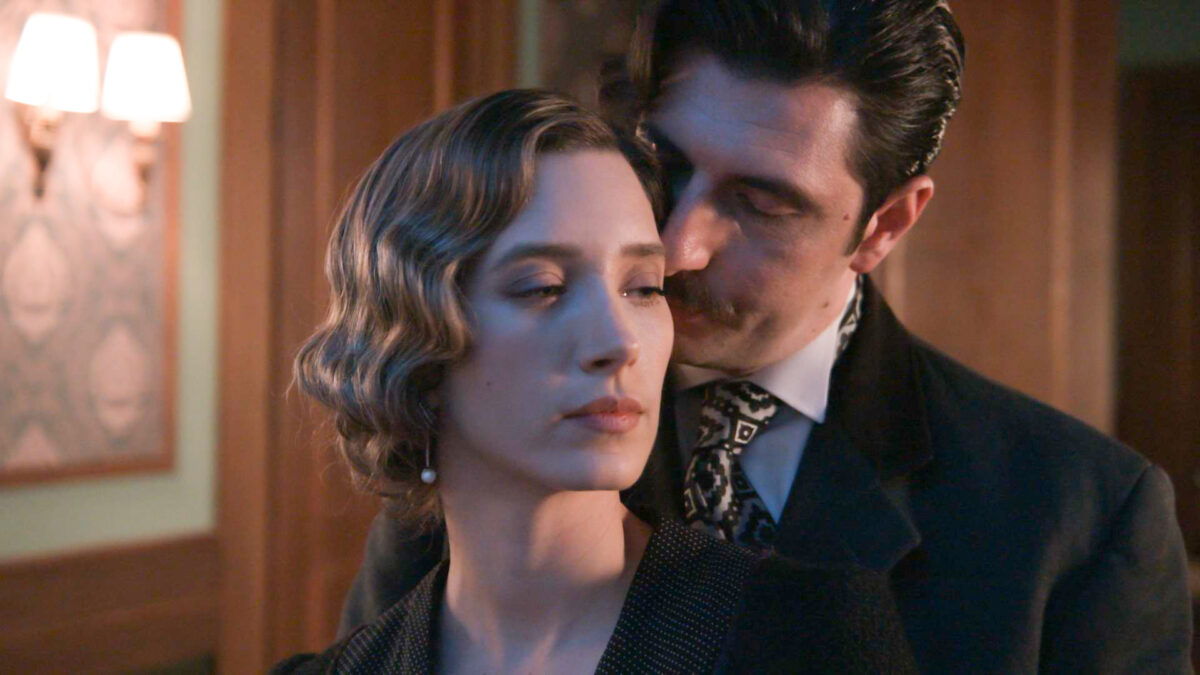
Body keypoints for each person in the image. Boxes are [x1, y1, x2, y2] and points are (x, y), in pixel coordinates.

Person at [342, 1, 1196, 672]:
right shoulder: (492, 433)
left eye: (762, 204)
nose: (680, 245)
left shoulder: (1078, 516)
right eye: (668, 165)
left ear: (885, 225)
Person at [275, 89, 917, 674]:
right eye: (543, 288)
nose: (620, 341)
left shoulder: (811, 638)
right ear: (412, 337)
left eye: (643, 288)